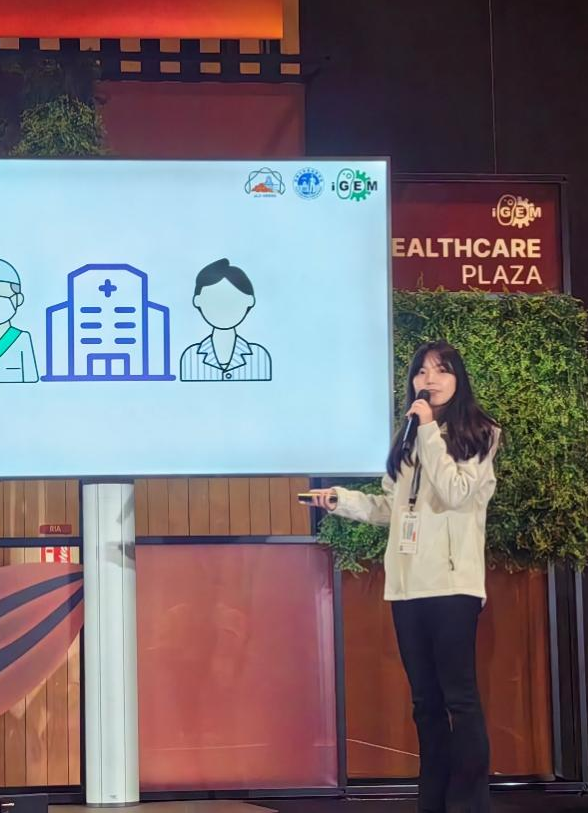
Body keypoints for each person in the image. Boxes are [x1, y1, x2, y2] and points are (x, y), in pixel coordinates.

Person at [307, 340, 499, 812]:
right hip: (407, 585)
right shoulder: (408, 436)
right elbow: (393, 509)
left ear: (458, 379)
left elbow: (455, 493)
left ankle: (469, 804)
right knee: (425, 703)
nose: (429, 380)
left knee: (459, 700)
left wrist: (429, 431)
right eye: (421, 372)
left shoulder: (480, 432)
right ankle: (432, 801)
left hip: (452, 584)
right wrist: (343, 501)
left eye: (441, 371)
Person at [179, 258, 272, 381]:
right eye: (213, 300)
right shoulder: (191, 356)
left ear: (250, 300)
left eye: (234, 300)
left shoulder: (258, 354)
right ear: (197, 301)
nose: (223, 307)